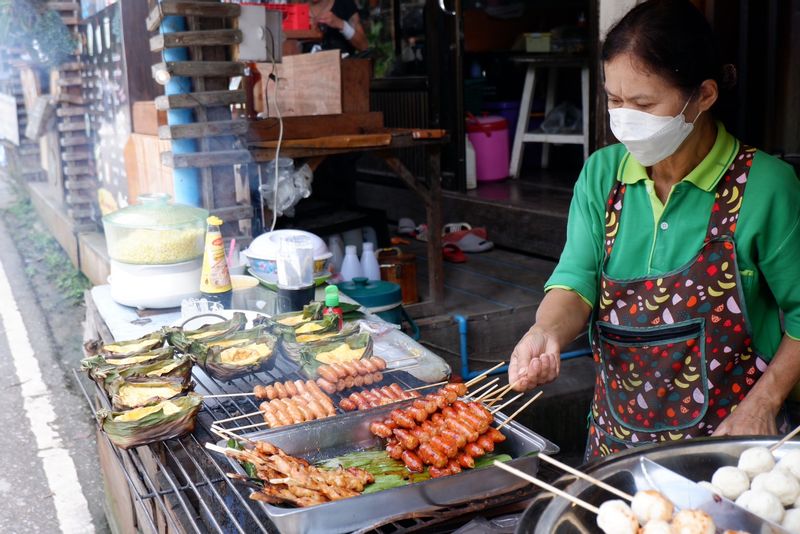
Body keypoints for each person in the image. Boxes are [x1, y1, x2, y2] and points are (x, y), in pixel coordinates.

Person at [508, 0, 800, 460]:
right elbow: (577, 281)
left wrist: (764, 403)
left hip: (731, 443)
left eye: (643, 103)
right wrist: (546, 330)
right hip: (616, 447)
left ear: (703, 95)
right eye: (615, 100)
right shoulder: (602, 175)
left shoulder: (766, 186)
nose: (625, 117)